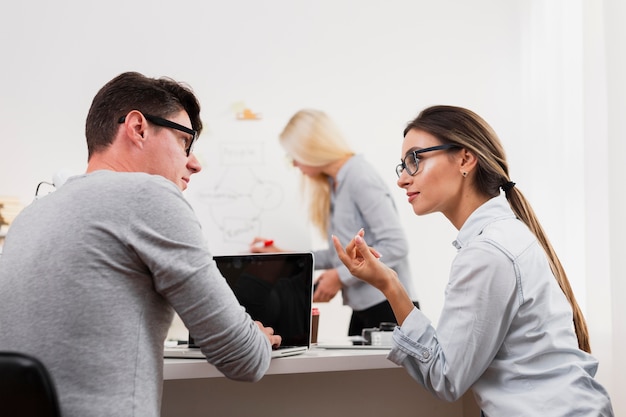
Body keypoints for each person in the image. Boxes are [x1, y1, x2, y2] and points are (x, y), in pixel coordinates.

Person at [0, 72, 281, 417]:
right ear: (138, 128)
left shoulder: (31, 215)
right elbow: (244, 359)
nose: (194, 162)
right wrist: (256, 337)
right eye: (184, 142)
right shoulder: (148, 195)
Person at [332, 105, 614, 416]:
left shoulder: (487, 251)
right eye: (403, 166)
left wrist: (390, 284)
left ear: (465, 159)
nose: (402, 180)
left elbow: (446, 378)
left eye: (416, 159)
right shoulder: (501, 236)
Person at [250, 109, 418, 336]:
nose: (294, 164)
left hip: (388, 309)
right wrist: (286, 256)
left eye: (294, 155)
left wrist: (339, 276)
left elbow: (396, 245)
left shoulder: (359, 177)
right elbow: (338, 254)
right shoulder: (335, 184)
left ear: (311, 149)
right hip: (365, 309)